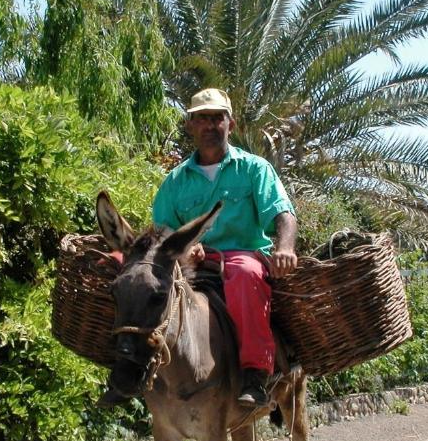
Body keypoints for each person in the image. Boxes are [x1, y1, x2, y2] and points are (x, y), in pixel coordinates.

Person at [102, 87, 297, 408]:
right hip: (187, 264)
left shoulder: (254, 169)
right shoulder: (175, 182)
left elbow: (283, 214)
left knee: (246, 275)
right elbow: (161, 234)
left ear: (230, 125)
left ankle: (255, 374)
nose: (209, 125)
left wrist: (285, 248)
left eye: (217, 118)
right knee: (134, 285)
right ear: (191, 125)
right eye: (201, 119)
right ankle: (126, 370)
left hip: (241, 259)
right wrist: (180, 251)